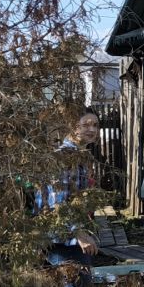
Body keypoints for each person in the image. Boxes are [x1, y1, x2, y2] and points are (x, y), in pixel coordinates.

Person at [41, 107, 102, 264]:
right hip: (63, 240)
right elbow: (58, 203)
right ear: (74, 127)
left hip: (74, 236)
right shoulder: (65, 157)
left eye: (95, 125)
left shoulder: (80, 156)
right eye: (86, 125)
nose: (92, 129)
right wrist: (79, 233)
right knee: (74, 286)